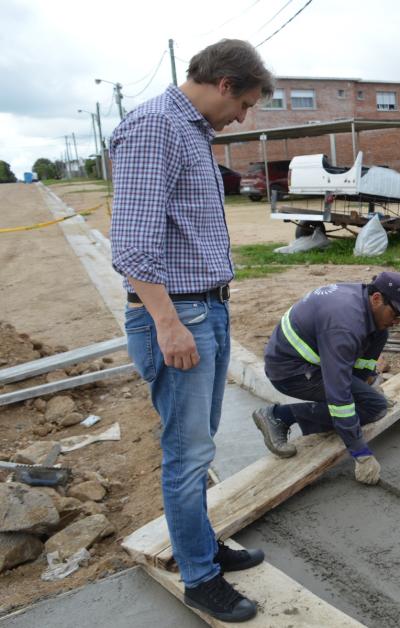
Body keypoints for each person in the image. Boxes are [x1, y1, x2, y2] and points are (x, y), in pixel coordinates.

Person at [110, 39, 273, 622]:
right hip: (179, 315)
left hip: (206, 309)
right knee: (185, 455)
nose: (244, 117)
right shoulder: (156, 128)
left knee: (197, 446)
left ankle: (203, 546)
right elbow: (130, 246)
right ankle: (200, 577)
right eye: (246, 103)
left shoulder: (191, 132)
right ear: (225, 84)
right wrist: (167, 323)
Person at [252, 272, 400, 486]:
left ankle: (288, 415)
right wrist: (361, 453)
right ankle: (279, 416)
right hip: (288, 371)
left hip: (312, 363)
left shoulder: (370, 315)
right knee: (373, 408)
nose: (396, 322)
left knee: (369, 402)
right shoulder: (344, 325)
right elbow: (339, 395)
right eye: (395, 313)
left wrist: (363, 390)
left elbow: (361, 370)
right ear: (376, 298)